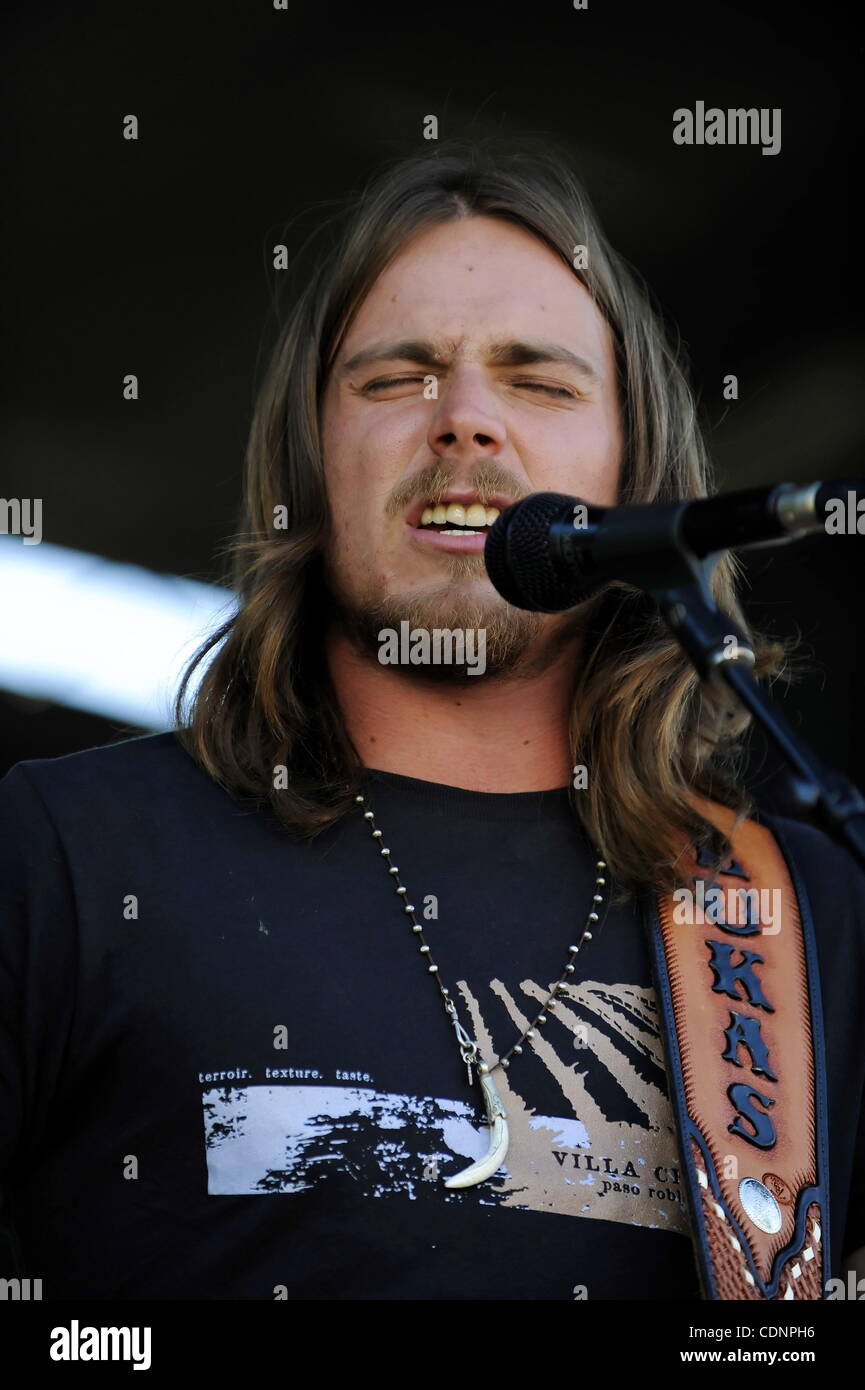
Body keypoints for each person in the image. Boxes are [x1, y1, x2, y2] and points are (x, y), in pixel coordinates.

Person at [1, 140, 863, 1302]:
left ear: (635, 474)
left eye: (540, 382)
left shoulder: (803, 915)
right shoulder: (65, 851)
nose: (463, 419)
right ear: (310, 467)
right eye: (396, 377)